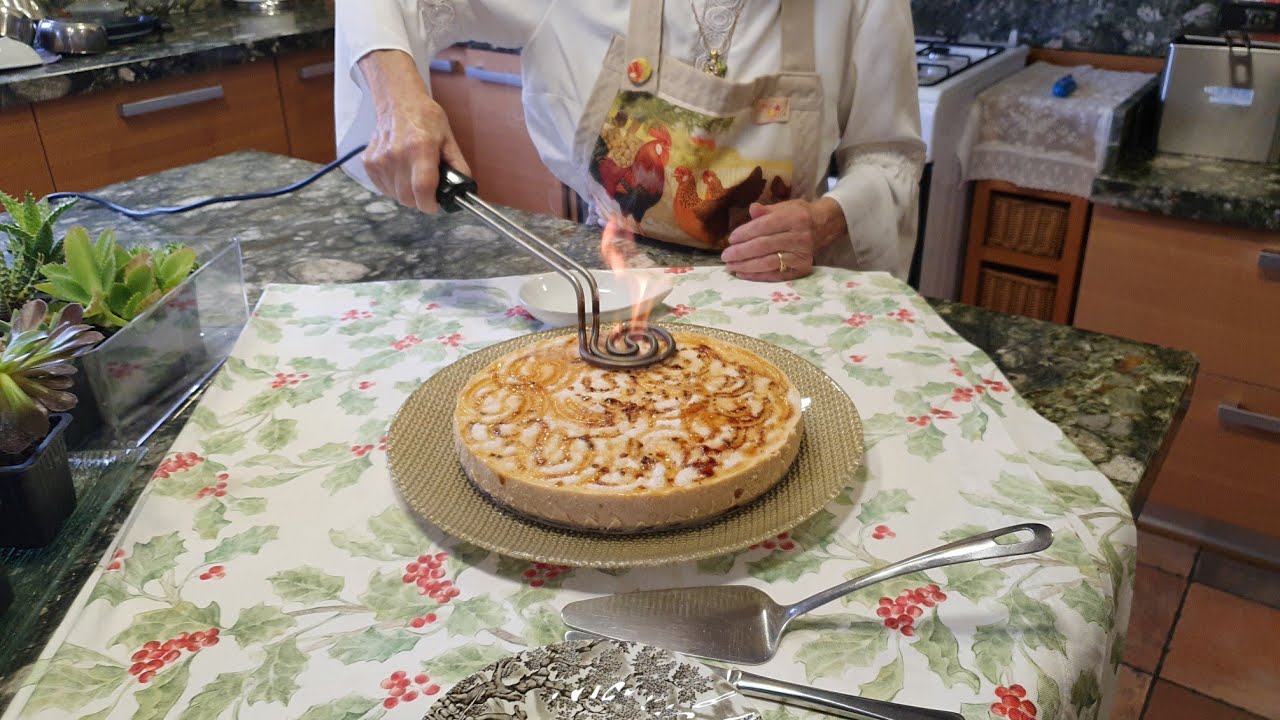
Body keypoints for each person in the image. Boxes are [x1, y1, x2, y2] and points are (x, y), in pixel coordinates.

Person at [335, 1, 925, 282]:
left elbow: (887, 157)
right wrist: (395, 94)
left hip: (783, 282)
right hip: (617, 278)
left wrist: (825, 218)